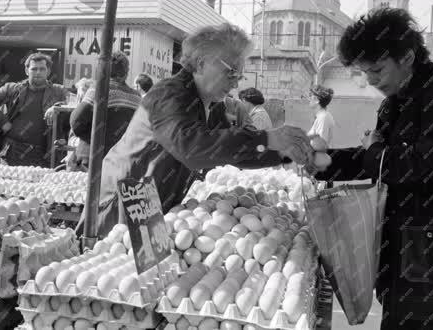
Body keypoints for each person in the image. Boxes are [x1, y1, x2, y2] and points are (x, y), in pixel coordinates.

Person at [313, 8, 433, 330]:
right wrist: (325, 162)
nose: (371, 81)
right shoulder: (396, 102)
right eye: (365, 72)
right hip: (405, 252)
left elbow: (422, 166)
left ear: (408, 57)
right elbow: (378, 159)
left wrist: (375, 151)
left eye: (377, 70)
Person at [79, 23, 313, 237]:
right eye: (231, 72)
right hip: (123, 201)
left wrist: (281, 152)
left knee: (151, 275)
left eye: (239, 75)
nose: (235, 82)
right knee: (118, 271)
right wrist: (267, 137)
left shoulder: (211, 105)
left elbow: (231, 151)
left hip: (150, 201)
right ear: (201, 63)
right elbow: (191, 148)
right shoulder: (169, 95)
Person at [0, 52, 67, 167]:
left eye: (42, 69)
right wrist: (2, 123)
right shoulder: (12, 89)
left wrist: (57, 107)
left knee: (39, 185)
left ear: (48, 71)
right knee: (8, 184)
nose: (38, 72)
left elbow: (74, 104)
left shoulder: (59, 91)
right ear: (27, 71)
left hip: (44, 154)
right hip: (12, 152)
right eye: (34, 69)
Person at [70, 52, 141, 170]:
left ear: (101, 69)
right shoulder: (137, 97)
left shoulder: (98, 90)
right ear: (126, 72)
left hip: (91, 161)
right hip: (121, 163)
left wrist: (89, 137)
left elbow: (76, 122)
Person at [65, 78, 94, 171]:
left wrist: (74, 143)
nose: (78, 98)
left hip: (82, 161)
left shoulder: (86, 111)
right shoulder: (80, 110)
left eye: (80, 95)